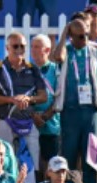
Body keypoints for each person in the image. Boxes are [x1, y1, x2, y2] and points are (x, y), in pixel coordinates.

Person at [54, 19, 97, 183]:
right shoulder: (66, 51)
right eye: (79, 36)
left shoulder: (96, 53)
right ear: (71, 36)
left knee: (91, 159)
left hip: (91, 112)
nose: (84, 39)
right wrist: (64, 34)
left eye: (86, 34)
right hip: (70, 112)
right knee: (68, 157)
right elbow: (57, 57)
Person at [0, 31, 49, 175]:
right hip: (4, 121)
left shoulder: (33, 69)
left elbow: (43, 96)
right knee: (5, 163)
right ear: (7, 48)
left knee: (32, 164)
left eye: (22, 46)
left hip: (27, 122)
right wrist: (12, 100)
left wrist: (28, 99)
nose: (19, 50)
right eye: (15, 46)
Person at [31, 33, 60, 173]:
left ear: (47, 50)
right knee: (33, 165)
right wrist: (32, 115)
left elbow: (60, 97)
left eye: (37, 47)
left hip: (51, 126)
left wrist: (44, 117)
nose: (33, 50)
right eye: (32, 46)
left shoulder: (56, 70)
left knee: (49, 165)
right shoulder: (27, 69)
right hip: (29, 125)